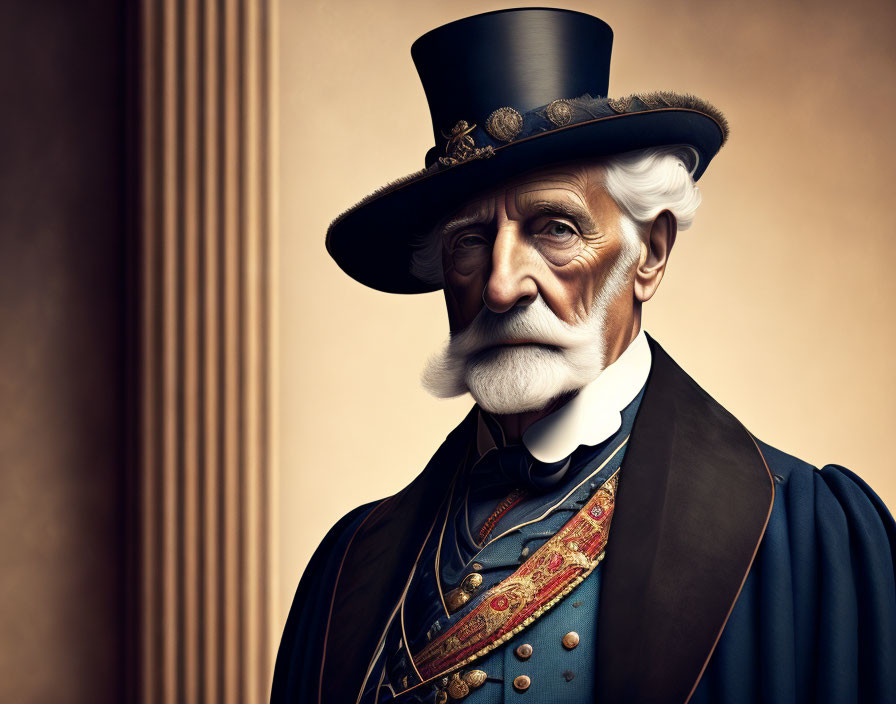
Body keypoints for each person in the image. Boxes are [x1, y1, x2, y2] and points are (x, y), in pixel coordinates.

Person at [271, 9, 896, 704]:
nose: (503, 284)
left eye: (555, 228)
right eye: (471, 242)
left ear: (649, 253)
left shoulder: (809, 541)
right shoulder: (344, 573)